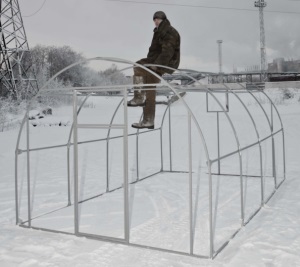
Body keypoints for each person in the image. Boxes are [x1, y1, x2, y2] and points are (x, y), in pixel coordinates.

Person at [129, 11, 181, 129]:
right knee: (149, 87)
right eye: (154, 19)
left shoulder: (168, 31)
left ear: (164, 19)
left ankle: (138, 97)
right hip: (155, 61)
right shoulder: (158, 31)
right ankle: (148, 120)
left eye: (158, 19)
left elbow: (168, 51)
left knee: (138, 66)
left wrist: (157, 65)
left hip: (163, 62)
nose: (156, 21)